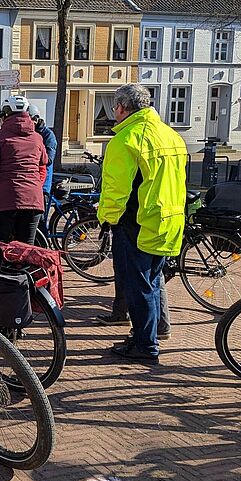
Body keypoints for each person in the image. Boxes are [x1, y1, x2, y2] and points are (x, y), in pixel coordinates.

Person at [97, 83, 187, 365]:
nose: (114, 113)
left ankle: (145, 345)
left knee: (137, 286)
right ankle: (148, 332)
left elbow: (116, 190)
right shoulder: (171, 136)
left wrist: (106, 218)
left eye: (115, 107)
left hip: (137, 222)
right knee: (153, 280)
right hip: (168, 219)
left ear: (122, 108)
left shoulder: (125, 141)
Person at [0, 95, 48, 244]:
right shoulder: (37, 138)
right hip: (33, 199)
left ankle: (6, 268)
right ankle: (25, 267)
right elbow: (45, 161)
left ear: (4, 116)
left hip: (6, 200)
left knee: (3, 247)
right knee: (26, 247)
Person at [28, 104, 57, 196]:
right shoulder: (26, 133)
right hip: (29, 181)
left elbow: (48, 160)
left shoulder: (48, 135)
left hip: (43, 183)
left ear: (35, 120)